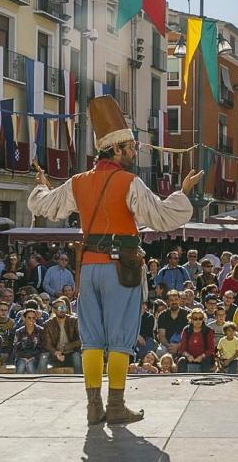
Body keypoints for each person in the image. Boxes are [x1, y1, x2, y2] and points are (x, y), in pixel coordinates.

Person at [28, 95, 201, 425]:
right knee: (121, 336)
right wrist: (183, 192)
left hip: (89, 268)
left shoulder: (78, 182)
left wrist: (41, 188)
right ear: (117, 149)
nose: (134, 152)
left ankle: (94, 407)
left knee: (91, 338)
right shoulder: (128, 182)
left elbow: (45, 206)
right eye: (130, 147)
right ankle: (116, 406)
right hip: (120, 268)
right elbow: (163, 217)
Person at [39, 297, 82, 374]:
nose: (62, 310)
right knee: (43, 357)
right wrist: (56, 352)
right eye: (60, 308)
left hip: (71, 353)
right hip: (55, 354)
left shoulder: (74, 321)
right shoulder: (48, 324)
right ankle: (39, 382)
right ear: (54, 310)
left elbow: (81, 340)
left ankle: (79, 380)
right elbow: (47, 344)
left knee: (77, 357)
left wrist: (68, 346)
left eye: (64, 307)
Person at [176, 307, 216, 373]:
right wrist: (188, 355)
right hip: (189, 357)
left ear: (203, 319)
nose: (198, 321)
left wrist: (201, 356)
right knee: (181, 360)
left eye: (200, 318)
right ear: (191, 319)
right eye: (195, 319)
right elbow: (182, 349)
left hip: (204, 357)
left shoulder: (208, 331)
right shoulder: (186, 330)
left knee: (206, 362)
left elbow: (211, 349)